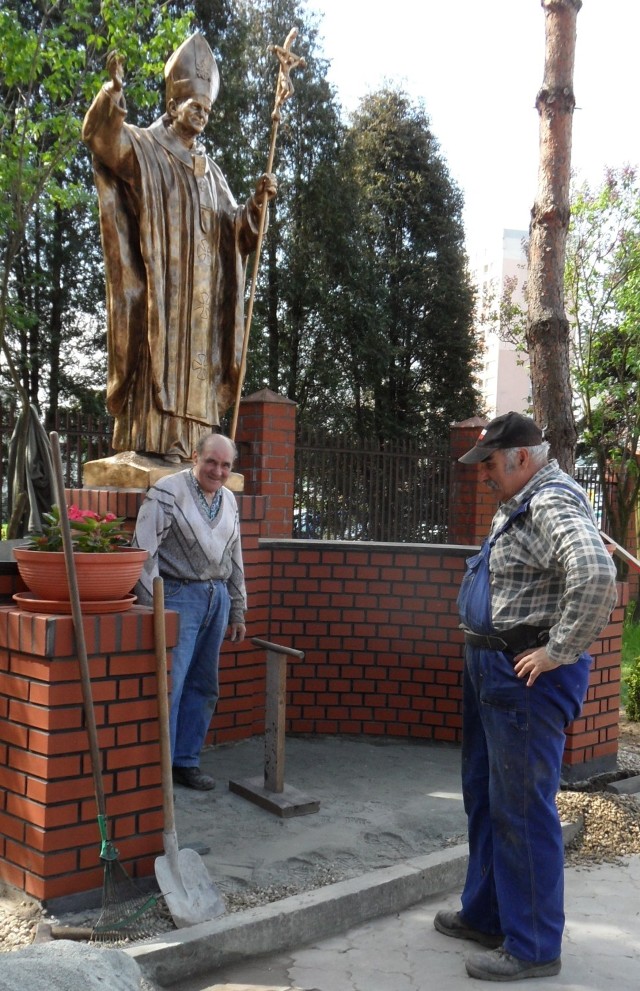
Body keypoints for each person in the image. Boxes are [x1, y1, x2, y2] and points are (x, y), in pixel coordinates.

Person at [434, 411, 617, 982]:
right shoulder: (521, 500)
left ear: (519, 456)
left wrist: (557, 650)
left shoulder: (550, 499)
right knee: (488, 799)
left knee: (520, 809)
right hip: (495, 669)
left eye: (489, 462)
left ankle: (535, 945)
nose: (483, 474)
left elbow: (595, 575)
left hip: (525, 679)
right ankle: (488, 915)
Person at [82, 33, 277, 463]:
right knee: (158, 358)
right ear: (172, 107)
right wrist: (112, 93)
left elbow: (237, 233)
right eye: (195, 107)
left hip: (202, 307)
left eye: (207, 110)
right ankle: (151, 441)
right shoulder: (146, 149)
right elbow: (103, 141)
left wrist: (256, 207)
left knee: (198, 369)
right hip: (163, 296)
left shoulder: (212, 174)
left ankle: (192, 450)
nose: (202, 115)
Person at [133, 433, 246, 790]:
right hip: (178, 597)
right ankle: (159, 771)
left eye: (226, 465)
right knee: (172, 686)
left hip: (217, 599)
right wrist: (153, 607)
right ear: (194, 456)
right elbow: (142, 551)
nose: (218, 470)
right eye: (212, 461)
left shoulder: (228, 499)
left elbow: (235, 555)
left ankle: (185, 761)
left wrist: (238, 608)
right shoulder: (167, 492)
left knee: (204, 685)